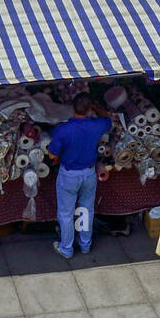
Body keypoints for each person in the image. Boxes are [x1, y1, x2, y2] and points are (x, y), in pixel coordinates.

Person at [46, 94, 112, 258]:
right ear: (89, 109)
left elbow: (52, 155)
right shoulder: (96, 125)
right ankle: (85, 244)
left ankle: (67, 249)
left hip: (69, 175)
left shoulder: (63, 129)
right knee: (85, 210)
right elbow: (108, 119)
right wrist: (96, 107)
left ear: (72, 107)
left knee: (66, 213)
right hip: (89, 174)